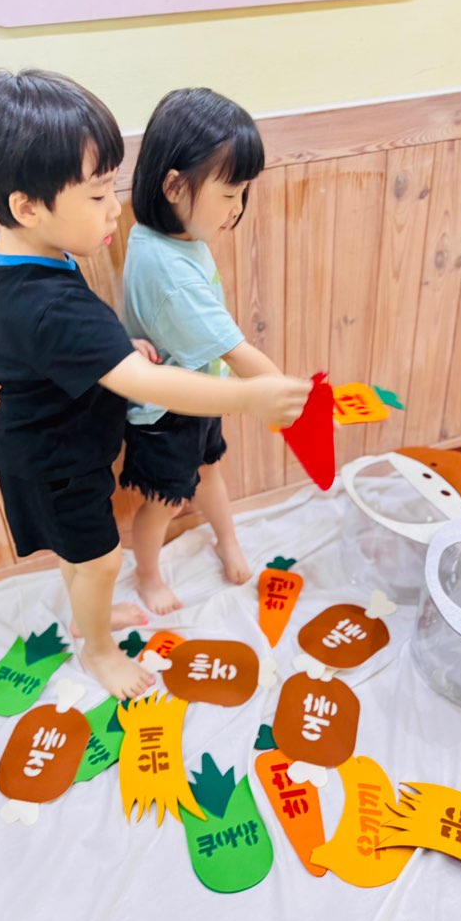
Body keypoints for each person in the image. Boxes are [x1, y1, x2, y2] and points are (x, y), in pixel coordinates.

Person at [0, 70, 310, 699]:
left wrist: (116, 351)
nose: (115, 209)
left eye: (111, 189)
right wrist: (249, 396)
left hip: (48, 445)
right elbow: (147, 381)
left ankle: (87, 613)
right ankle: (97, 649)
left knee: (82, 558)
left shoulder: (16, 250)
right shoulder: (52, 305)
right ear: (28, 206)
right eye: (97, 196)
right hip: (57, 462)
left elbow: (67, 349)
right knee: (99, 560)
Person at [120, 87, 294, 615]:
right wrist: (292, 401)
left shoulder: (172, 238)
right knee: (163, 503)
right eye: (229, 194)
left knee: (210, 471)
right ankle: (147, 575)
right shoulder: (168, 271)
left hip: (202, 393)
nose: (236, 210)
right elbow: (239, 354)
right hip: (166, 413)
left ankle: (227, 540)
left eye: (243, 194)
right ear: (174, 185)